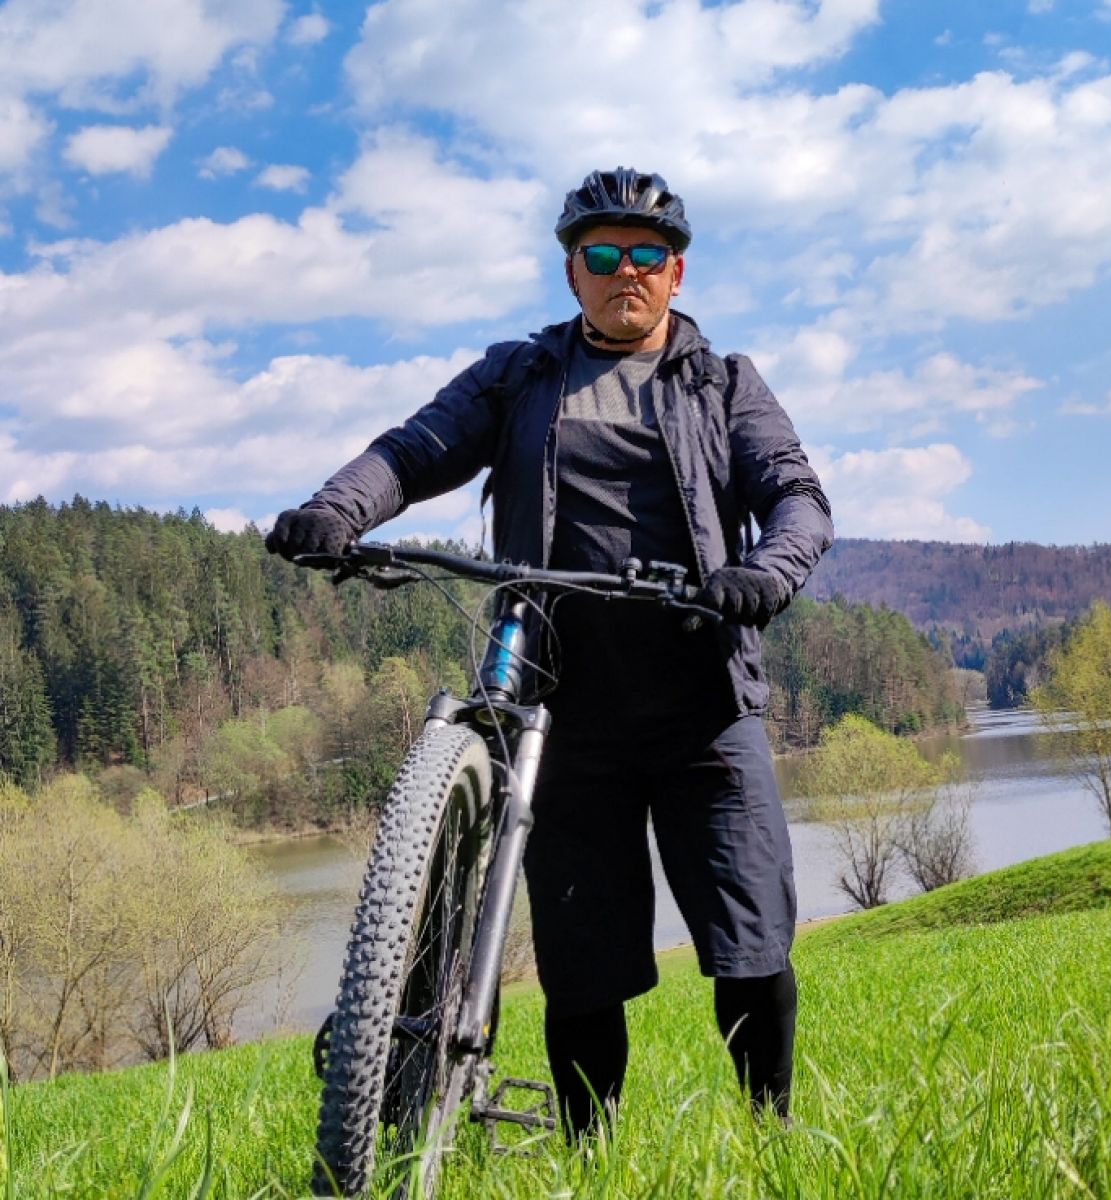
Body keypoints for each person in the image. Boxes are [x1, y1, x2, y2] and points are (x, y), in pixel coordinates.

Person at [266, 167, 834, 1137]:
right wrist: (336, 509)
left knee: (751, 945)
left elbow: (796, 497)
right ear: (572, 272)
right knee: (582, 965)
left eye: (646, 254)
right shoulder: (521, 376)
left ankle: (770, 1138)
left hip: (704, 704)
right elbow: (413, 450)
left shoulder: (724, 383)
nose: (625, 271)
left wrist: (766, 572)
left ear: (677, 272)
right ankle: (590, 1156)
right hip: (559, 710)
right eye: (601, 254)